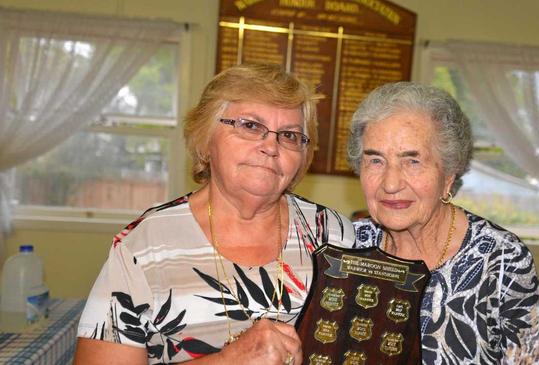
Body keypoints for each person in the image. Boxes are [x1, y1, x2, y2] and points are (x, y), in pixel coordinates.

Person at [74, 63, 356, 365]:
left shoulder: (335, 235)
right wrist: (228, 360)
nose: (271, 146)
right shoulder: (143, 247)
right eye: (250, 126)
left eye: (289, 135)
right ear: (206, 140)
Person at [348, 82, 539, 364]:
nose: (390, 183)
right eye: (375, 161)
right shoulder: (345, 244)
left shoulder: (500, 260)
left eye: (412, 161)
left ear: (449, 174)